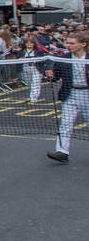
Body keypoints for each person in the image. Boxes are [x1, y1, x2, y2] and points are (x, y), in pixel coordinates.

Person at [46, 31, 88, 163]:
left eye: (72, 43)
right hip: (70, 94)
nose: (68, 45)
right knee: (65, 124)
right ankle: (62, 152)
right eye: (67, 42)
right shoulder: (63, 58)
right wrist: (51, 75)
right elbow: (56, 76)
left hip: (87, 94)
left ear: (83, 44)